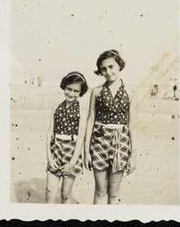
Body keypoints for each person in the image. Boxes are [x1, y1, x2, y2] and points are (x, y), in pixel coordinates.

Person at [84, 50, 136, 204]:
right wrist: (86, 151)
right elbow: (90, 120)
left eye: (111, 66)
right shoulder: (97, 91)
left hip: (121, 143)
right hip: (99, 142)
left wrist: (134, 154)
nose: (108, 72)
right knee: (100, 191)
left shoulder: (130, 92)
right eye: (103, 69)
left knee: (113, 194)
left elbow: (132, 125)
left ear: (119, 65)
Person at [46, 71, 88, 204]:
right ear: (64, 86)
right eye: (69, 89)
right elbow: (49, 134)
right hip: (55, 150)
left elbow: (81, 137)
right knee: (49, 194)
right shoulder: (56, 107)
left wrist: (72, 163)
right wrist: (49, 158)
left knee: (65, 194)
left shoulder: (82, 109)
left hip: (72, 152)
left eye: (76, 91)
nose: (71, 93)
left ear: (80, 92)